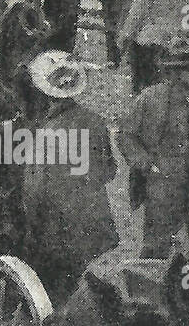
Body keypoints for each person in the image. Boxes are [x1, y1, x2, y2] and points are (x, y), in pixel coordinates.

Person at [116, 36, 189, 270]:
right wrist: (147, 164)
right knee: (156, 251)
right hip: (164, 186)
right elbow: (125, 135)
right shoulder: (151, 99)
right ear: (174, 72)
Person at [18, 51, 118, 301]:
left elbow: (34, 191)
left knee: (53, 292)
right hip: (90, 227)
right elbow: (109, 171)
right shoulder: (95, 121)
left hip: (57, 230)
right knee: (75, 282)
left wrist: (29, 230)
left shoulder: (45, 134)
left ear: (43, 92)